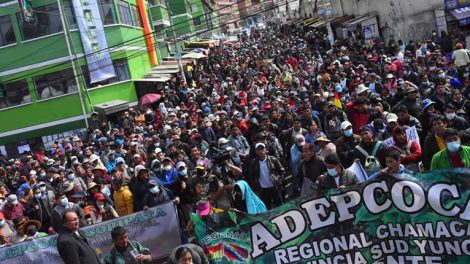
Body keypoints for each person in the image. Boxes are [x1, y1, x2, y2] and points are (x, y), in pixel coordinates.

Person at [247, 143, 285, 209]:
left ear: (265, 149)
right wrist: (256, 187)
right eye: (258, 149)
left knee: (280, 206)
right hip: (263, 190)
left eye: (262, 148)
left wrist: (279, 181)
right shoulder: (253, 163)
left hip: (274, 187)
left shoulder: (273, 159)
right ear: (256, 151)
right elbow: (251, 177)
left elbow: (282, 171)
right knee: (267, 208)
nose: (261, 151)